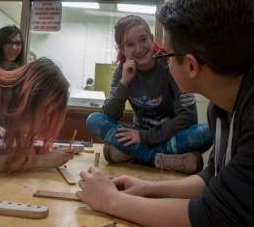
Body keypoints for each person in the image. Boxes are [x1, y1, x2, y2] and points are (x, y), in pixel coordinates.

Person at [77, 0, 254, 226]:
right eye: (130, 44)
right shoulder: (220, 108)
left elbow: (216, 215)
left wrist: (110, 200)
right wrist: (150, 188)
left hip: (165, 137)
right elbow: (214, 177)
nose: (163, 60)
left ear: (190, 65)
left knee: (202, 132)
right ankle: (155, 158)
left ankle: (144, 156)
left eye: (168, 55)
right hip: (147, 139)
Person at [86, 15, 212, 174]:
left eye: (143, 39)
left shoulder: (170, 64)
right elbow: (111, 115)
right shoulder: (121, 72)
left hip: (169, 135)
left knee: (207, 131)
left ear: (152, 39)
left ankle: (134, 154)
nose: (139, 49)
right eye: (130, 44)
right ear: (122, 50)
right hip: (138, 133)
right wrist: (124, 83)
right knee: (93, 120)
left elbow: (188, 117)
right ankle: (160, 159)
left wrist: (144, 137)